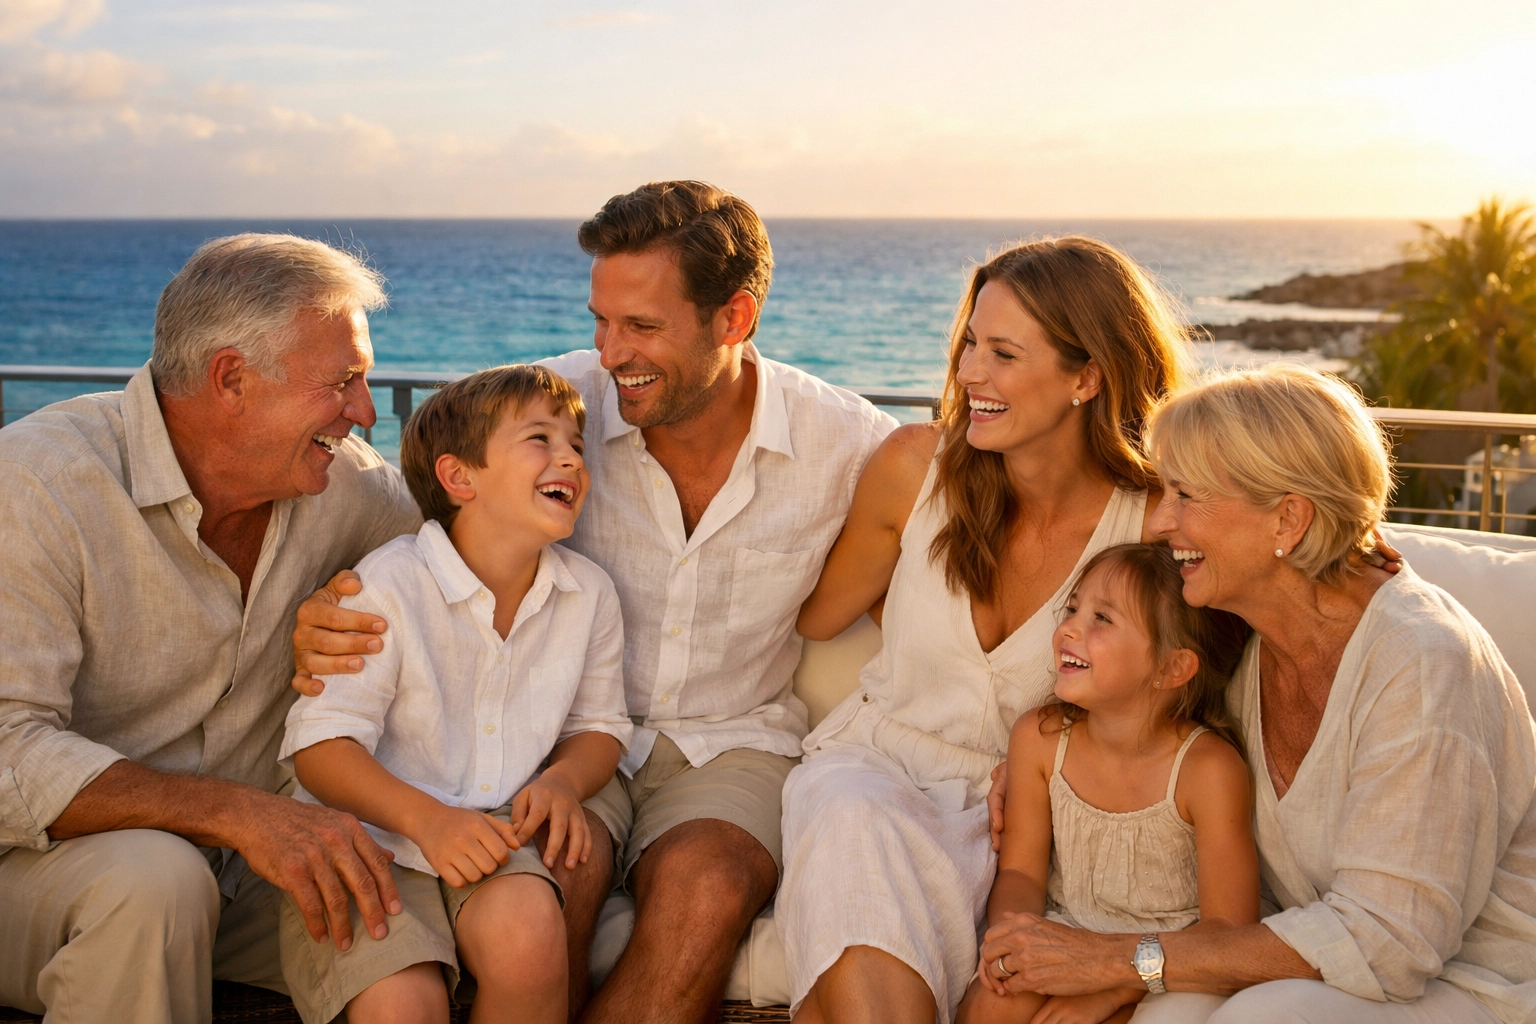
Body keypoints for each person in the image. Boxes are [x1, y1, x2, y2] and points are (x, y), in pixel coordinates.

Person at [288, 180, 898, 1024]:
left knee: (706, 884)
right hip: (556, 742)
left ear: (735, 318)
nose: (612, 356)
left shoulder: (847, 442)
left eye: (642, 327)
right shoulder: (555, 410)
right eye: (600, 322)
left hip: (732, 741)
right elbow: (437, 514)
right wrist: (327, 599)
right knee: (552, 880)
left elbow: (967, 540)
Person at [979, 365, 1536, 1024]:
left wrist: (1123, 963)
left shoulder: (1421, 664)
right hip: (1301, 957)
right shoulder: (1243, 626)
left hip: (1470, 986)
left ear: (1288, 520)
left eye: (1186, 495)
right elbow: (1142, 710)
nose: (1159, 523)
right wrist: (1034, 771)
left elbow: (1388, 943)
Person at [0, 234, 428, 1023]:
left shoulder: (354, 491)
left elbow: (466, 584)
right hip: (39, 875)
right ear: (232, 378)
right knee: (154, 881)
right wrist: (232, 812)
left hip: (251, 876)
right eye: (343, 381)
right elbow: (6, 749)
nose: (367, 411)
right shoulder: (35, 485)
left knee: (435, 900)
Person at [778, 236, 1190, 1024]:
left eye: (1003, 353)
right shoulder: (914, 470)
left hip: (1040, 822)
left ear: (1087, 377)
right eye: (971, 342)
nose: (968, 374)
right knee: (848, 817)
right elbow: (817, 611)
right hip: (879, 770)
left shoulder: (1155, 525)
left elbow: (1188, 694)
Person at [278, 365, 633, 1024]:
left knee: (531, 937)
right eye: (539, 440)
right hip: (368, 840)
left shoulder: (590, 594)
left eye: (576, 446)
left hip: (490, 835)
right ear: (460, 478)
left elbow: (599, 725)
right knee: (401, 1004)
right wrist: (428, 821)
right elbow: (321, 750)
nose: (570, 459)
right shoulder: (387, 588)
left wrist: (562, 782)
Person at [958, 542, 1256, 1024]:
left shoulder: (1207, 770)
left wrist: (1113, 988)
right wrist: (1016, 939)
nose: (1070, 628)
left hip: (1163, 961)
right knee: (996, 1003)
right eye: (1074, 608)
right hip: (1063, 927)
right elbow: (1021, 873)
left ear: (1170, 668)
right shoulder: (1039, 738)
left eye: (1103, 619)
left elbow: (1230, 929)